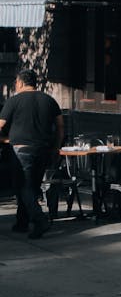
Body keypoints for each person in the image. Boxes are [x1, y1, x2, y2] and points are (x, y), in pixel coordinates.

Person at [0, 68, 64, 238]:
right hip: (43, 148)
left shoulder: (13, 101)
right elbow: (60, 127)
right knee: (32, 186)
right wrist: (56, 147)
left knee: (22, 186)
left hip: (22, 149)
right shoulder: (50, 101)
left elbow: (0, 124)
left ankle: (39, 219)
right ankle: (22, 222)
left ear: (20, 83)